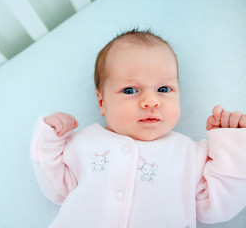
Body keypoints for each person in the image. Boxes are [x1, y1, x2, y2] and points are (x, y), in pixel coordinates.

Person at [30, 29, 246, 228]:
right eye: (130, 90)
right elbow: (57, 189)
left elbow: (218, 208)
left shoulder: (190, 154)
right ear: (102, 102)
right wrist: (50, 138)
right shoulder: (83, 143)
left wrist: (233, 146)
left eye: (163, 89)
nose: (150, 101)